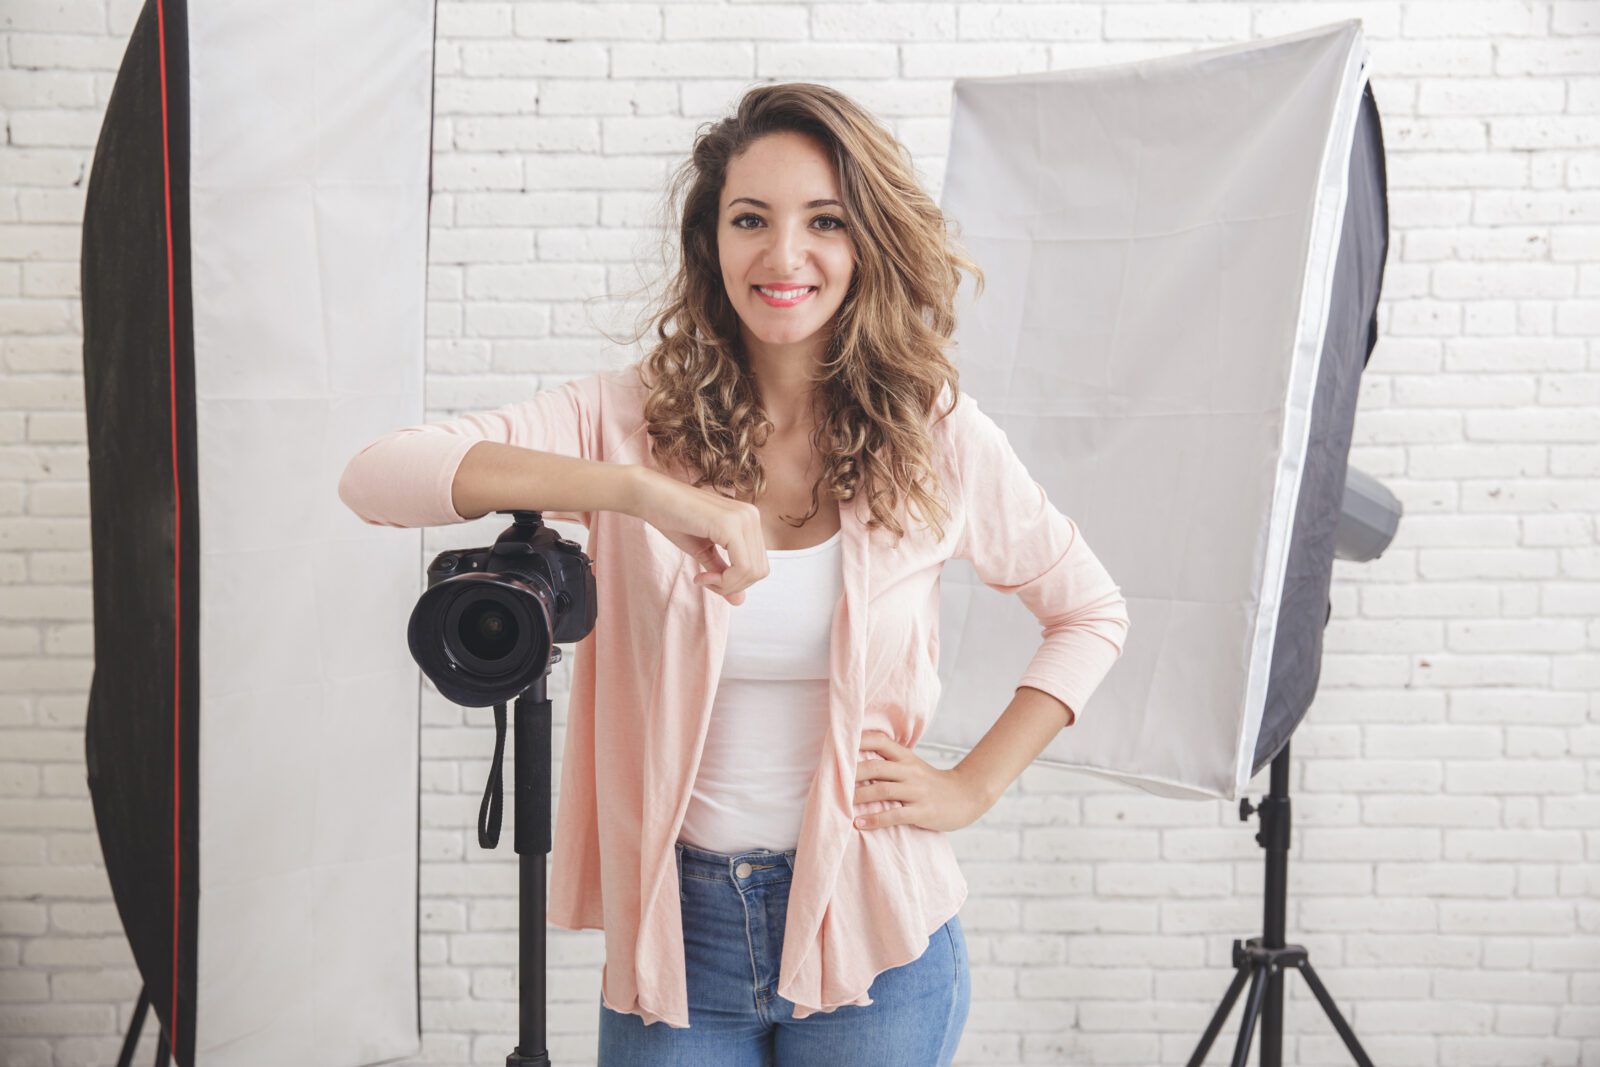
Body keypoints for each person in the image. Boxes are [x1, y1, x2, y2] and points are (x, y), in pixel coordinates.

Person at [339, 82, 1130, 1067]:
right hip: (678, 937)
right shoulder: (628, 419)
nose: (783, 255)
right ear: (709, 241)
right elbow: (376, 475)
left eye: (824, 221)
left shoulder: (935, 437)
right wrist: (640, 492)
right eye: (749, 218)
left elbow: (1090, 610)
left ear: (867, 242)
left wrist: (971, 784)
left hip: (874, 935)